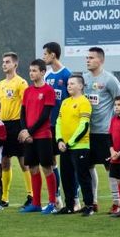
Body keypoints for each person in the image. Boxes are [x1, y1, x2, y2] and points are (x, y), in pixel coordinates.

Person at [84, 47, 120, 213]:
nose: (87, 60)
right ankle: (92, 201)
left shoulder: (109, 80)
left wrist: (116, 125)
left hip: (105, 132)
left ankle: (117, 202)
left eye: (91, 58)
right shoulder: (84, 79)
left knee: (110, 166)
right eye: (87, 57)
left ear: (100, 60)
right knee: (88, 166)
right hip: (87, 132)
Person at [19, 59, 58, 214]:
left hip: (42, 135)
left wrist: (30, 131)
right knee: (33, 168)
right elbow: (22, 113)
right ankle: (35, 203)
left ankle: (52, 203)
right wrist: (24, 131)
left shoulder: (48, 91)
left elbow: (45, 116)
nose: (31, 73)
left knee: (47, 168)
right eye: (30, 70)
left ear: (43, 72)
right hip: (29, 136)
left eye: (35, 70)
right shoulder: (27, 91)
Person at [56, 74, 94, 216]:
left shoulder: (84, 102)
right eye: (68, 84)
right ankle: (70, 205)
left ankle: (89, 205)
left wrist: (70, 142)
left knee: (83, 176)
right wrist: (59, 140)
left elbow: (83, 125)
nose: (69, 86)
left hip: (79, 147)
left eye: (72, 83)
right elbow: (59, 122)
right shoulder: (65, 102)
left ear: (81, 86)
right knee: (66, 176)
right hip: (64, 146)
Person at [0, 52, 29, 207]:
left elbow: (26, 106)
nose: (4, 64)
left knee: (23, 160)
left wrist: (25, 127)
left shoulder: (21, 83)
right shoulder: (0, 84)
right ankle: (4, 197)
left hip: (17, 124)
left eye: (7, 62)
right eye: (3, 62)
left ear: (15, 64)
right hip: (4, 125)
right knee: (4, 161)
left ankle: (31, 194)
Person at [43, 41, 71, 207]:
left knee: (69, 163)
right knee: (51, 162)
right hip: (49, 125)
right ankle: (57, 197)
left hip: (64, 126)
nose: (43, 57)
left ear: (53, 55)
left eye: (45, 54)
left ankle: (74, 198)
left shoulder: (67, 75)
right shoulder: (46, 76)